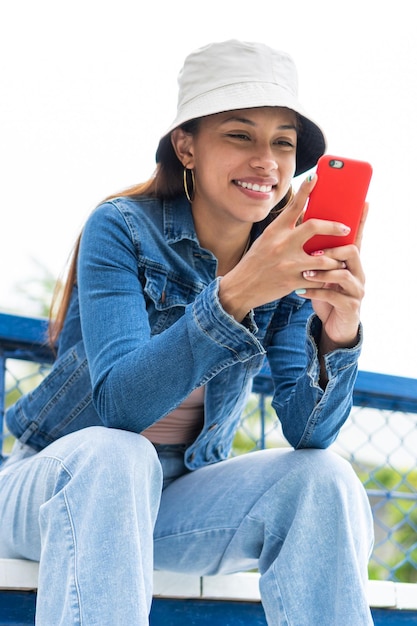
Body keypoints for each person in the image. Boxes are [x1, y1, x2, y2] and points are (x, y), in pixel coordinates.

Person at [0, 40, 374, 625]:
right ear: (186, 146)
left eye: (283, 142)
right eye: (240, 135)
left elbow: (309, 432)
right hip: (57, 484)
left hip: (178, 497)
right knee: (116, 454)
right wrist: (236, 294)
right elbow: (121, 405)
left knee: (323, 478)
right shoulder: (120, 229)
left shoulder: (279, 259)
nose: (267, 162)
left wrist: (338, 335)